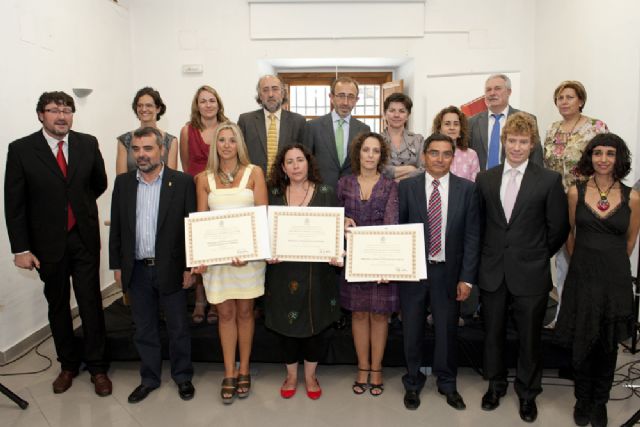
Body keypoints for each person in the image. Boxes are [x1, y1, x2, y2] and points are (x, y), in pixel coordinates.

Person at [4, 91, 111, 396]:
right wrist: (21, 249)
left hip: (84, 238)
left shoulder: (87, 143)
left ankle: (98, 367)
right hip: (46, 244)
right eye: (54, 110)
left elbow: (98, 183)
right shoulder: (22, 149)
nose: (61, 116)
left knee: (91, 303)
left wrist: (79, 208)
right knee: (58, 305)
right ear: (41, 115)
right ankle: (68, 365)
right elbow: (15, 204)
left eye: (67, 110)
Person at [475, 112, 570, 422]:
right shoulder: (486, 178)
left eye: (523, 142)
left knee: (530, 340)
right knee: (493, 335)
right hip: (493, 272)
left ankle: (528, 394)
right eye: (512, 141)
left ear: (532, 145)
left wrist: (535, 255)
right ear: (503, 143)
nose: (516, 147)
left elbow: (557, 228)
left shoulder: (549, 180)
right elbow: (480, 224)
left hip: (530, 273)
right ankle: (496, 385)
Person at [555, 133, 639, 427]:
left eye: (610, 153)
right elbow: (569, 234)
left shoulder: (634, 197)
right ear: (590, 156)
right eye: (598, 153)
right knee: (583, 339)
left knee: (607, 344)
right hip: (583, 276)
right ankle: (582, 398)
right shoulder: (575, 192)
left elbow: (630, 241)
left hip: (614, 279)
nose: (603, 159)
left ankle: (599, 402)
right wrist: (584, 261)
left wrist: (609, 262)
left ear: (619, 158)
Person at [109, 127, 196, 403]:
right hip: (136, 270)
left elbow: (189, 226)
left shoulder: (182, 182)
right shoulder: (123, 184)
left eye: (147, 148)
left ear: (161, 150)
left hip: (170, 268)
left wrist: (189, 267)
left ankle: (183, 377)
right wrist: (117, 266)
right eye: (136, 149)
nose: (141, 155)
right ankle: (149, 378)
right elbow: (117, 230)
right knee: (144, 328)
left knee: (178, 327)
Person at [398, 133, 480, 411]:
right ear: (424, 156)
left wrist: (466, 278)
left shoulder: (467, 189)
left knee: (446, 331)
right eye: (434, 153)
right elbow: (399, 231)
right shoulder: (406, 188)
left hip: (449, 273)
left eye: (446, 154)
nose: (440, 159)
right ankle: (412, 381)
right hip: (414, 272)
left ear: (453, 157)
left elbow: (472, 237)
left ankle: (447, 382)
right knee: (412, 330)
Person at [192, 122, 267, 404]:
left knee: (246, 313)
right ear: (215, 146)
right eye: (221, 140)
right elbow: (200, 222)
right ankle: (229, 372)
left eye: (231, 140)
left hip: (248, 259)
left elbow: (261, 216)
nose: (226, 145)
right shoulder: (203, 179)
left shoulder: (254, 173)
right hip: (218, 260)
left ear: (239, 144)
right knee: (224, 315)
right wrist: (200, 259)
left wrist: (249, 250)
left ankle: (245, 369)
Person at [265, 144, 341, 401]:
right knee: (284, 327)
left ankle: (310, 376)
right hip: (281, 272)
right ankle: (291, 376)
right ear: (283, 167)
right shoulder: (273, 193)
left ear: (309, 163)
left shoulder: (327, 192)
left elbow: (336, 228)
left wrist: (335, 250)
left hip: (318, 272)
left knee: (316, 326)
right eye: (290, 161)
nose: (296, 165)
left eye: (300, 160)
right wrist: (268, 250)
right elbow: (266, 230)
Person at [543, 80, 609, 328]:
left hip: (586, 202)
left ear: (580, 100)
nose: (564, 101)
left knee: (586, 260)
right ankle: (562, 314)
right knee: (562, 261)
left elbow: (606, 163)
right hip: (558, 204)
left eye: (569, 97)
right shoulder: (552, 130)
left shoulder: (595, 127)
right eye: (560, 97)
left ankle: (588, 317)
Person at [337, 132, 399, 397]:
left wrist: (386, 264)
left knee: (379, 315)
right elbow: (334, 218)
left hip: (381, 259)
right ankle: (362, 367)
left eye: (375, 151)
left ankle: (377, 369)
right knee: (359, 314)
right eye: (366, 150)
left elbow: (392, 224)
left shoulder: (389, 185)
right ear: (358, 154)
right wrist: (341, 223)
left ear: (381, 156)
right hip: (353, 262)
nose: (370, 155)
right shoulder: (344, 184)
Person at [180, 85, 229, 325]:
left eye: (212, 100)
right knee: (201, 249)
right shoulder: (187, 131)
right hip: (196, 191)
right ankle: (200, 300)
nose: (208, 105)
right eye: (203, 101)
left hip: (222, 193)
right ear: (196, 105)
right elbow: (186, 165)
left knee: (220, 248)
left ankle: (217, 301)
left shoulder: (228, 128)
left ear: (218, 104)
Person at [304, 76, 371, 189]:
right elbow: (305, 161)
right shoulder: (313, 126)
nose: (345, 102)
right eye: (341, 96)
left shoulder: (364, 129)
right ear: (331, 97)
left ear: (356, 100)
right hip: (320, 191)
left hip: (353, 192)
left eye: (351, 97)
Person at [468, 74, 543, 171]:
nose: (492, 93)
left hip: (516, 181)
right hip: (480, 183)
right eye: (488, 90)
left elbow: (535, 157)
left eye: (497, 88)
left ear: (509, 92)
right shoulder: (472, 122)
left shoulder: (527, 119)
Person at [238, 75, 306, 175]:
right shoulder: (246, 121)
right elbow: (239, 154)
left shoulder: (298, 121)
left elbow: (305, 157)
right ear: (260, 96)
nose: (270, 94)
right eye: (265, 90)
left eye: (275, 89)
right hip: (253, 182)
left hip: (288, 183)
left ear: (282, 93)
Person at [116, 87, 178, 174]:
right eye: (140, 105)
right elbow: (121, 180)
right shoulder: (124, 140)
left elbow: (172, 178)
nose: (144, 109)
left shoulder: (171, 141)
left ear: (158, 109)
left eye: (148, 105)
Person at [380, 93, 424, 181]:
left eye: (402, 111)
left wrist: (399, 180)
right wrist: (410, 169)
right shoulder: (376, 140)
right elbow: (376, 168)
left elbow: (424, 169)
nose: (396, 115)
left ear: (408, 115)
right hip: (383, 192)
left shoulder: (418, 140)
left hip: (412, 191)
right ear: (385, 113)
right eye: (392, 110)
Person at [432, 105, 480, 182]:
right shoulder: (431, 153)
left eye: (456, 124)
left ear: (461, 129)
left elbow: (474, 186)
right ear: (439, 129)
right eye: (447, 124)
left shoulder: (471, 155)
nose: (452, 127)